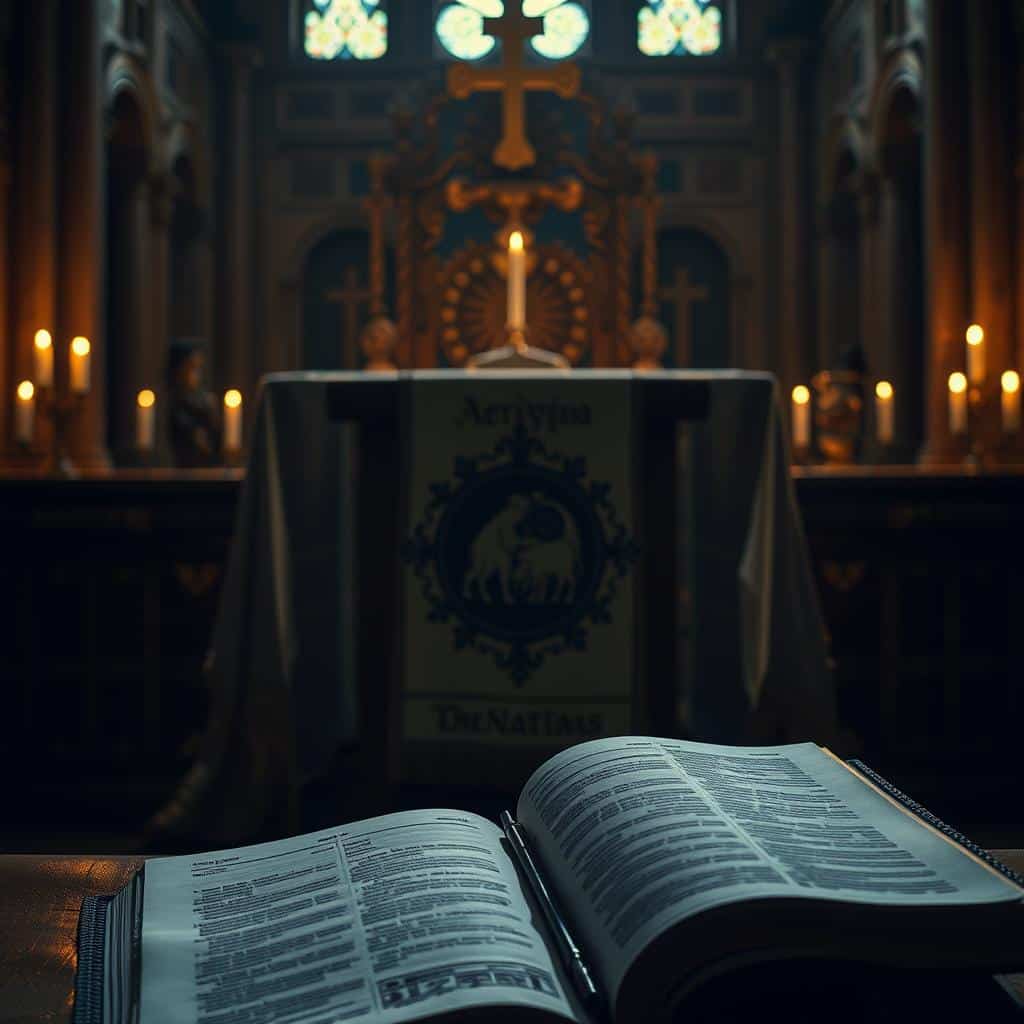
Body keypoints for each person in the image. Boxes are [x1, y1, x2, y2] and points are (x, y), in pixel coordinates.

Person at [167, 338, 222, 467]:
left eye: (198, 369)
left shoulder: (204, 400)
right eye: (191, 368)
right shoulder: (173, 403)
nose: (196, 375)